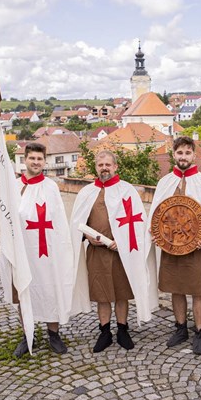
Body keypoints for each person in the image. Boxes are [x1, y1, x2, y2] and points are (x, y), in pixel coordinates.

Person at [70, 150, 157, 353]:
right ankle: (105, 332)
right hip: (97, 252)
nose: (104, 168)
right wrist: (86, 236)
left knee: (121, 293)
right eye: (101, 165)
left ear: (115, 166)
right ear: (96, 168)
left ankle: (123, 329)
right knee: (102, 294)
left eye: (108, 165)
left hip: (121, 253)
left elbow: (137, 222)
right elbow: (77, 223)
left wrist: (124, 240)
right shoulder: (87, 193)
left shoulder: (127, 191)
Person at [146, 136, 201, 355]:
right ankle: (180, 328)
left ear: (194, 156)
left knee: (197, 290)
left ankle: (199, 332)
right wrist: (158, 234)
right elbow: (157, 214)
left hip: (196, 247)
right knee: (175, 288)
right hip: (171, 246)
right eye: (180, 153)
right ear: (174, 155)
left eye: (188, 153)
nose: (183, 157)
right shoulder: (165, 182)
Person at [9, 142, 75, 357]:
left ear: (44, 161)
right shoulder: (14, 187)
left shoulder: (51, 187)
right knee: (24, 291)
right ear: (25, 159)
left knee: (49, 288)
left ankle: (53, 334)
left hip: (47, 251)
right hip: (23, 251)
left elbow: (58, 222)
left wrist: (61, 251)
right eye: (32, 158)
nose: (36, 162)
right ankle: (27, 334)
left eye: (39, 159)